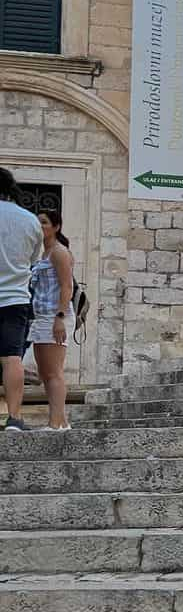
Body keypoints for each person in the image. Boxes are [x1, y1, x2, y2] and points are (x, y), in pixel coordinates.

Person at [0, 168, 44, 433]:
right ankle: (14, 418)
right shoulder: (29, 221)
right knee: (11, 358)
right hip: (15, 299)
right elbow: (32, 262)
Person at [28, 210, 74, 431]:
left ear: (56, 227)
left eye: (44, 223)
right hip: (40, 317)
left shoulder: (59, 252)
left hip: (54, 316)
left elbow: (67, 286)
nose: (40, 226)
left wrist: (60, 318)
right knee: (44, 372)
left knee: (53, 371)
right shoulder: (42, 253)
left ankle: (55, 423)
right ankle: (61, 421)